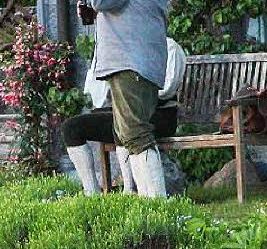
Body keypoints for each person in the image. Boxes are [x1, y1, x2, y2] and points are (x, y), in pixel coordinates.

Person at [83, 0, 169, 197]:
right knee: (128, 134)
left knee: (135, 133)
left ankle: (158, 205)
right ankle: (147, 202)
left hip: (132, 63)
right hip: (128, 62)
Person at [64, 37, 185, 194]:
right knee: (71, 128)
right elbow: (96, 94)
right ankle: (91, 194)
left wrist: (130, 90)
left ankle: (129, 190)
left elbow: (167, 88)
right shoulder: (122, 48)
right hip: (122, 112)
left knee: (125, 123)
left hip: (159, 114)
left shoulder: (169, 47)